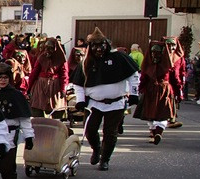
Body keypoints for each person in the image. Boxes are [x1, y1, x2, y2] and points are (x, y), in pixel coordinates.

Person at [70, 28, 139, 171]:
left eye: (101, 45)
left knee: (110, 133)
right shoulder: (85, 62)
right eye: (94, 46)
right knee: (90, 130)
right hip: (94, 104)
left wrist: (134, 94)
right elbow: (78, 84)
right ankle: (97, 149)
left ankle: (105, 159)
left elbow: (134, 75)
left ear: (106, 44)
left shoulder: (119, 58)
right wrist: (80, 100)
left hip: (116, 103)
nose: (98, 49)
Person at [133, 42, 179, 145]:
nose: (155, 55)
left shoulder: (148, 64)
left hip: (151, 89)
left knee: (150, 113)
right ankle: (158, 132)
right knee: (162, 113)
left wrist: (141, 89)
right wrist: (177, 92)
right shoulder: (168, 64)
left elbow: (143, 78)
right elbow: (175, 78)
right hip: (164, 89)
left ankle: (155, 133)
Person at [27, 37, 69, 117]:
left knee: (57, 109)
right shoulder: (41, 57)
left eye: (51, 48)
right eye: (46, 48)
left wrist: (63, 89)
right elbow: (34, 73)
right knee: (37, 107)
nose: (48, 50)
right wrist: (29, 88)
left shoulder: (61, 59)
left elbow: (64, 75)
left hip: (55, 86)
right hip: (41, 86)